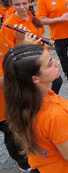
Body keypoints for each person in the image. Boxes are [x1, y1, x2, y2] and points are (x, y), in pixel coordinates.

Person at [3, 44, 68, 173]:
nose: (57, 62)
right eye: (50, 63)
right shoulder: (55, 115)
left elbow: (48, 127)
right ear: (35, 78)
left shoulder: (28, 97)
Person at [0, 0, 63, 94]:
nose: (22, 7)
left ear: (29, 2)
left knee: (57, 80)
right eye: (17, 4)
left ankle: (51, 97)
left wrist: (42, 45)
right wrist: (23, 44)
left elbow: (41, 33)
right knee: (37, 88)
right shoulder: (9, 25)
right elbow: (10, 54)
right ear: (11, 4)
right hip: (29, 64)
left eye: (24, 3)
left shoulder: (34, 16)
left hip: (43, 57)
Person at [0, 32, 38, 172]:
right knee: (12, 136)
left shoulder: (1, 35)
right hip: (2, 109)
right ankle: (23, 164)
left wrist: (20, 44)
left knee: (21, 130)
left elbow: (9, 58)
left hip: (13, 100)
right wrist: (24, 52)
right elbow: (3, 82)